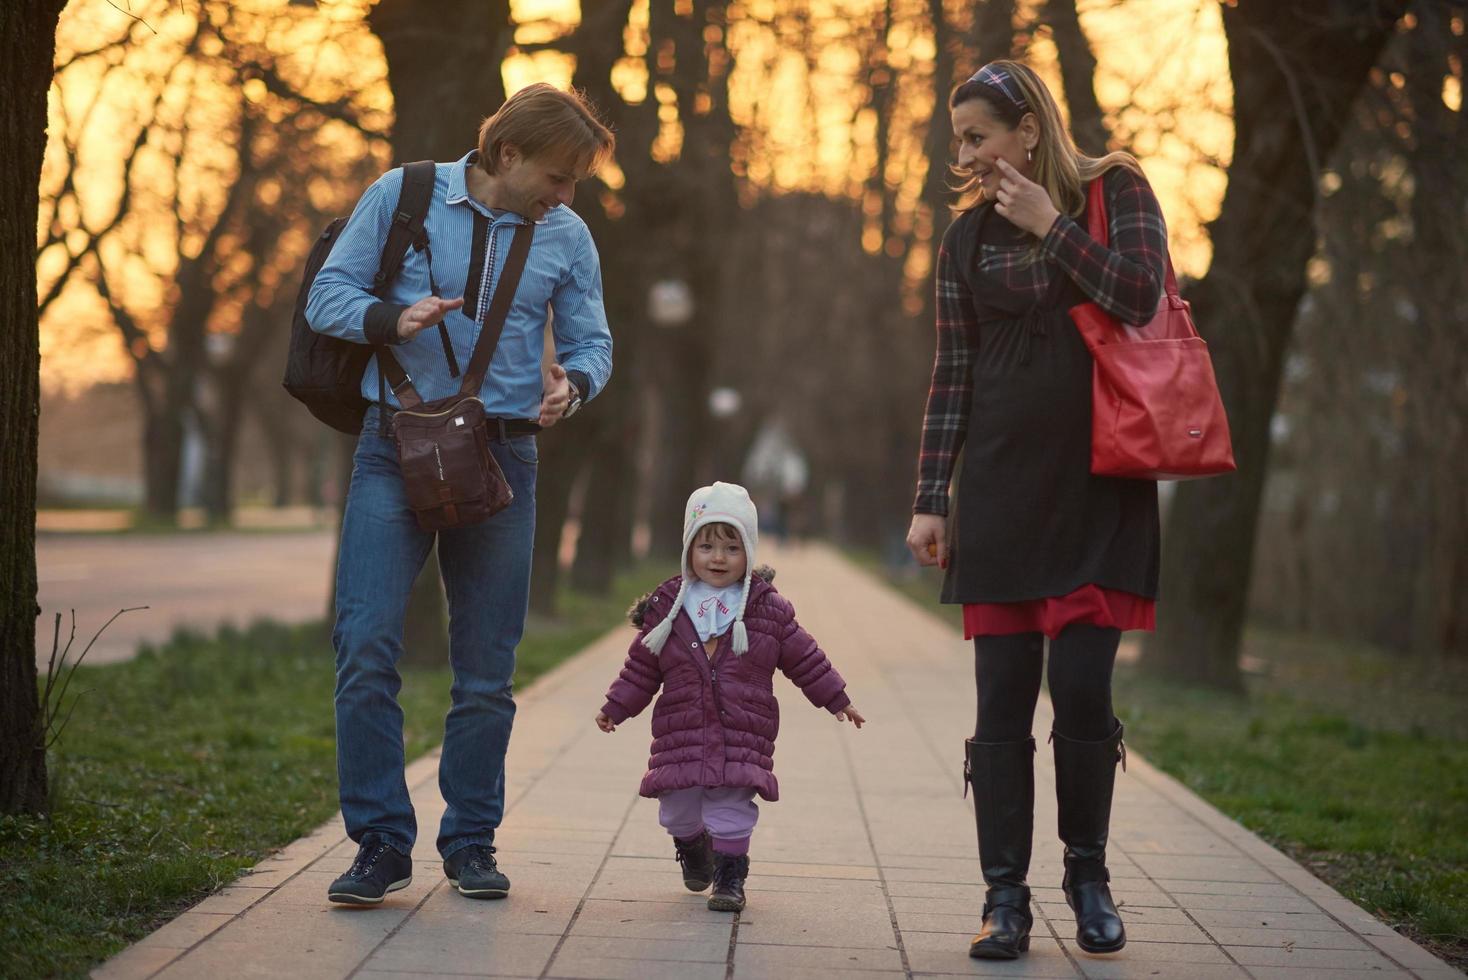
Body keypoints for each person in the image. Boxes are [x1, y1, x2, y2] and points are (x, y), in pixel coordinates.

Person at [305, 83, 614, 905]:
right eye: (557, 176)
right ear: (506, 154)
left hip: (506, 455)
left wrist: (572, 385)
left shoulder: (568, 236)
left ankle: (471, 841)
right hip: (392, 447)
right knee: (365, 644)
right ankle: (380, 843)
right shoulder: (402, 195)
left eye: (574, 183)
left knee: (486, 670)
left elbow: (593, 341)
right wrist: (391, 319)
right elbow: (325, 297)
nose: (565, 195)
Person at [905, 60, 1170, 959]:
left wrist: (1052, 226)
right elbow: (953, 374)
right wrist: (931, 498)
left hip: (1102, 486)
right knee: (1002, 701)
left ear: (1028, 130)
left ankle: (1088, 874)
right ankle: (1005, 898)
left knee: (1086, 689)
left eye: (979, 137)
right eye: (961, 143)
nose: (969, 156)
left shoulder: (1115, 190)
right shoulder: (964, 242)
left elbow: (1139, 294)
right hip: (1003, 494)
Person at [594, 482, 865, 912]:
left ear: (750, 553)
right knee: (676, 810)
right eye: (706, 546)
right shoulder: (668, 608)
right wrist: (616, 706)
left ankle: (730, 877)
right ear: (689, 551)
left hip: (743, 728)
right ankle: (694, 845)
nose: (718, 558)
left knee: (731, 806)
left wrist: (837, 697)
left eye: (731, 548)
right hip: (681, 728)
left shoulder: (766, 609)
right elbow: (641, 667)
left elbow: (804, 657)